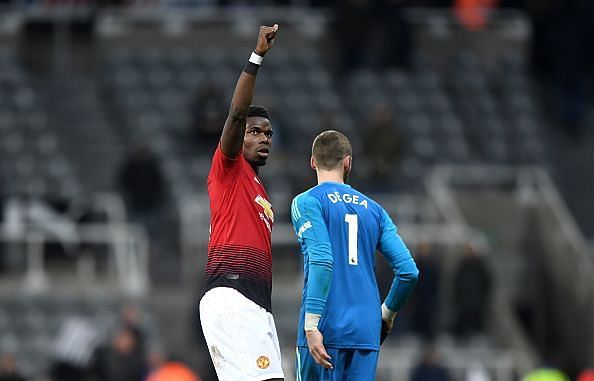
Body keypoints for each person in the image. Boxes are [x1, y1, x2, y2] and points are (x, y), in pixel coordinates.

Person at [290, 130, 419, 380]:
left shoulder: (306, 202)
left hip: (325, 326)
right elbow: (408, 272)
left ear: (313, 162)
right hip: (366, 329)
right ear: (347, 162)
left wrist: (311, 325)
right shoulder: (375, 210)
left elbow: (321, 259)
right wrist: (387, 313)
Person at [198, 24, 284, 381]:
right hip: (233, 296)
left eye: (268, 133)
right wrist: (257, 56)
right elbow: (236, 114)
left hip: (255, 304)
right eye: (255, 131)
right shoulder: (229, 168)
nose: (264, 138)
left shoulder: (259, 189)